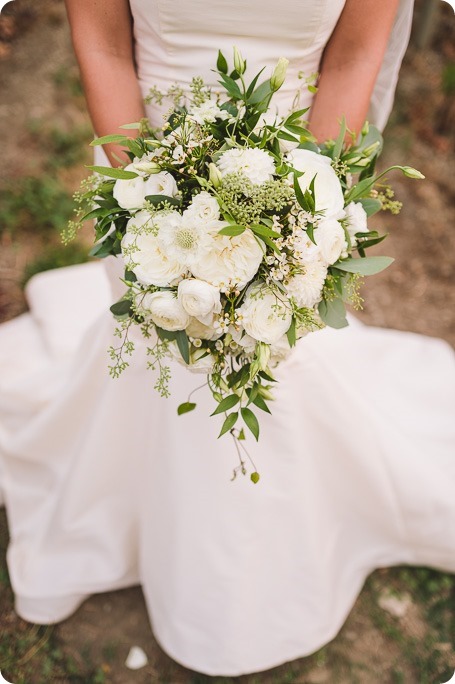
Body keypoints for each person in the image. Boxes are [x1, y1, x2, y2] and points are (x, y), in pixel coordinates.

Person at [0, 0, 454, 677]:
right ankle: (140, 516)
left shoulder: (302, 196)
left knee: (279, 355)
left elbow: (353, 56)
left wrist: (303, 211)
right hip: (147, 165)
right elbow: (105, 47)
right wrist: (149, 202)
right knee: (162, 349)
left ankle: (261, 563)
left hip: (297, 169)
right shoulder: (145, 192)